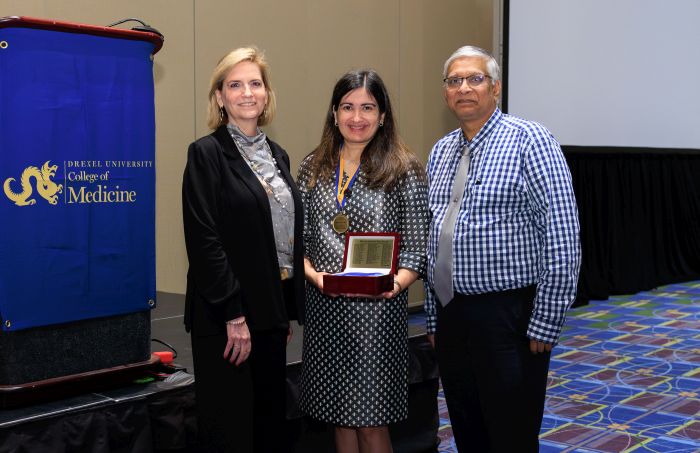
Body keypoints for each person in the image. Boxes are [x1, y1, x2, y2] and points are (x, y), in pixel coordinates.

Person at [424, 45, 581, 452]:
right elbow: (435, 239)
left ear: (495, 88)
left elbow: (562, 237)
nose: (464, 88)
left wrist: (546, 320)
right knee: (466, 427)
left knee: (510, 432)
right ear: (445, 93)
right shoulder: (441, 151)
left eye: (475, 79)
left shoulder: (530, 140)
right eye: (454, 81)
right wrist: (435, 317)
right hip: (453, 313)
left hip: (508, 317)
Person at [298, 69, 428, 453]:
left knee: (371, 422)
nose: (357, 117)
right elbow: (296, 242)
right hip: (325, 309)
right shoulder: (312, 166)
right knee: (339, 417)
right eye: (348, 107)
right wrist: (313, 276)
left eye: (368, 107)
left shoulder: (403, 168)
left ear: (383, 115)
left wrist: (397, 284)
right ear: (334, 113)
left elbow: (418, 247)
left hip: (376, 315)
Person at [182, 46, 304, 453]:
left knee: (268, 426)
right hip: (226, 316)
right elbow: (204, 241)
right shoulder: (206, 154)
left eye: (255, 83)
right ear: (219, 96)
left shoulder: (279, 156)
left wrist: (283, 308)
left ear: (267, 93)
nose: (247, 92)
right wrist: (234, 314)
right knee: (231, 430)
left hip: (269, 314)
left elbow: (281, 240)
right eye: (235, 84)